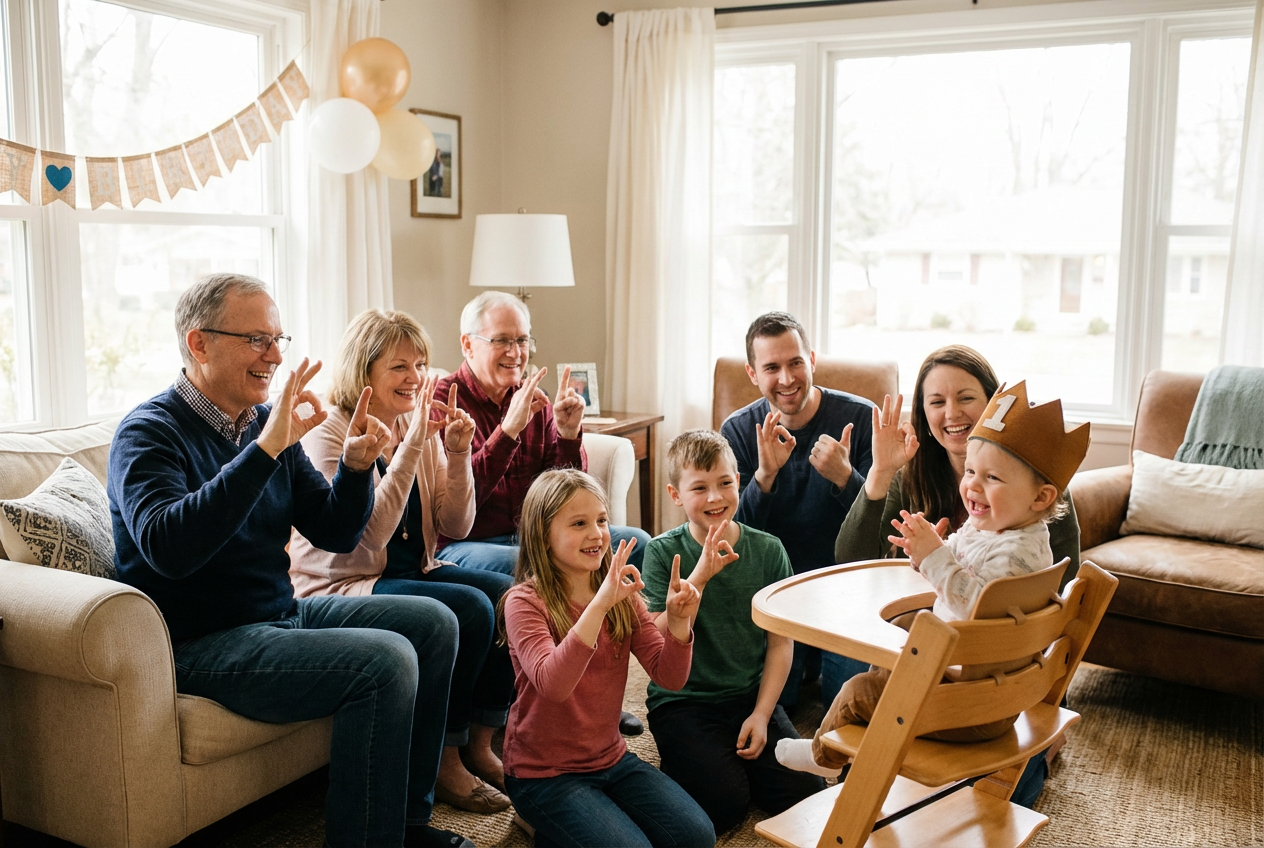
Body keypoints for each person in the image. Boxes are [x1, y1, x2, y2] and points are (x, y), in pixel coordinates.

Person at [108, 274, 472, 848]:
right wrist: (266, 451)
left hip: (278, 616)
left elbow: (333, 532)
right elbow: (169, 549)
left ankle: (403, 825)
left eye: (279, 339)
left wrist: (355, 469)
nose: (276, 356)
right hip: (200, 641)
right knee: (386, 660)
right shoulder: (149, 433)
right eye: (258, 340)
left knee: (434, 623)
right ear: (198, 343)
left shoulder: (260, 426)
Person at [778, 380, 1090, 778]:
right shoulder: (1009, 530)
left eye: (992, 479)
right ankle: (884, 711)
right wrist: (932, 552)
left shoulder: (1014, 553)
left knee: (857, 691)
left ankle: (824, 758)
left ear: (1042, 498)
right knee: (906, 624)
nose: (973, 485)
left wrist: (936, 556)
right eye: (972, 471)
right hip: (977, 676)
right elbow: (964, 553)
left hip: (973, 703)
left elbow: (977, 604)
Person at [289, 309, 515, 814]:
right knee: (470, 609)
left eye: (420, 365)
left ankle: (480, 743)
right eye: (399, 367)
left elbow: (455, 526)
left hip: (416, 571)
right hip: (348, 581)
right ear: (363, 370)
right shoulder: (330, 434)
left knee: (509, 595)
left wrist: (456, 456)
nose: (415, 378)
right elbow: (364, 542)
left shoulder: (418, 425)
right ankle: (446, 759)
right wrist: (414, 443)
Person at [435, 291, 651, 735]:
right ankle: (518, 709)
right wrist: (508, 430)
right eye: (502, 340)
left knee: (639, 544)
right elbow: (455, 499)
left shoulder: (535, 398)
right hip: (465, 544)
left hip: (531, 537)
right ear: (467, 343)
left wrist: (570, 435)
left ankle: (596, 692)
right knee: (519, 569)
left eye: (523, 341)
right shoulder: (443, 401)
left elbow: (565, 496)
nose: (516, 353)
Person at [499, 469, 716, 848]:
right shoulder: (523, 602)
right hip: (542, 774)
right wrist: (600, 604)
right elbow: (553, 685)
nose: (597, 533)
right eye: (579, 523)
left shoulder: (622, 596)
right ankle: (538, 821)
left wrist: (679, 624)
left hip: (611, 759)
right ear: (542, 535)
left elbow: (669, 677)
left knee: (697, 836)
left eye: (601, 520)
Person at [641, 430, 825, 835]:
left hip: (747, 696)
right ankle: (690, 762)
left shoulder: (768, 550)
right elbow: (655, 640)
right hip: (683, 702)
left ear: (739, 481)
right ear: (675, 495)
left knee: (808, 794)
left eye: (725, 483)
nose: (714, 497)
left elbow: (780, 643)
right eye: (699, 488)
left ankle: (731, 760)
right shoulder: (659, 551)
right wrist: (700, 578)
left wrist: (761, 715)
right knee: (724, 806)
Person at [719, 311, 875, 711]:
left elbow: (882, 529)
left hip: (843, 588)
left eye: (795, 363)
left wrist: (846, 478)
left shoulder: (859, 418)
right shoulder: (738, 431)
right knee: (769, 709)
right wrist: (764, 477)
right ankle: (804, 662)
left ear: (812, 361)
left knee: (850, 709)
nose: (786, 379)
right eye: (772, 367)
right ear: (754, 375)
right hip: (774, 593)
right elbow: (730, 536)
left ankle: (818, 660)